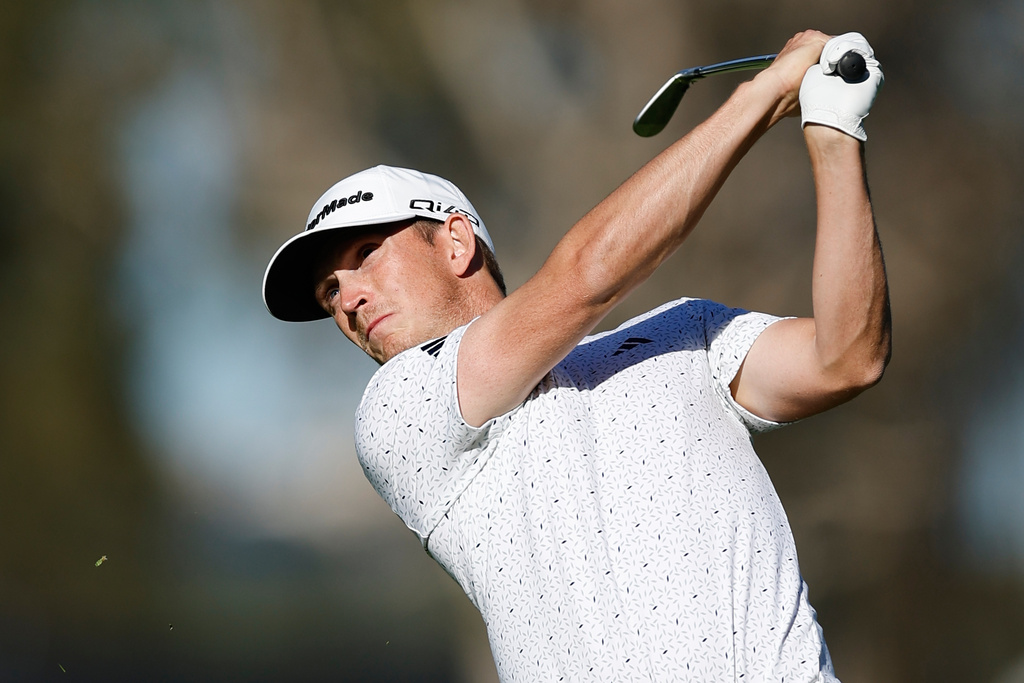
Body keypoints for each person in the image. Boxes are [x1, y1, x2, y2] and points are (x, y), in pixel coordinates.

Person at [262, 30, 889, 683]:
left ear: (454, 243)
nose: (348, 299)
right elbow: (587, 277)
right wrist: (766, 94)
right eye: (329, 289)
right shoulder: (397, 416)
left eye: (364, 255)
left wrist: (833, 130)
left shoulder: (688, 335)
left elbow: (846, 358)